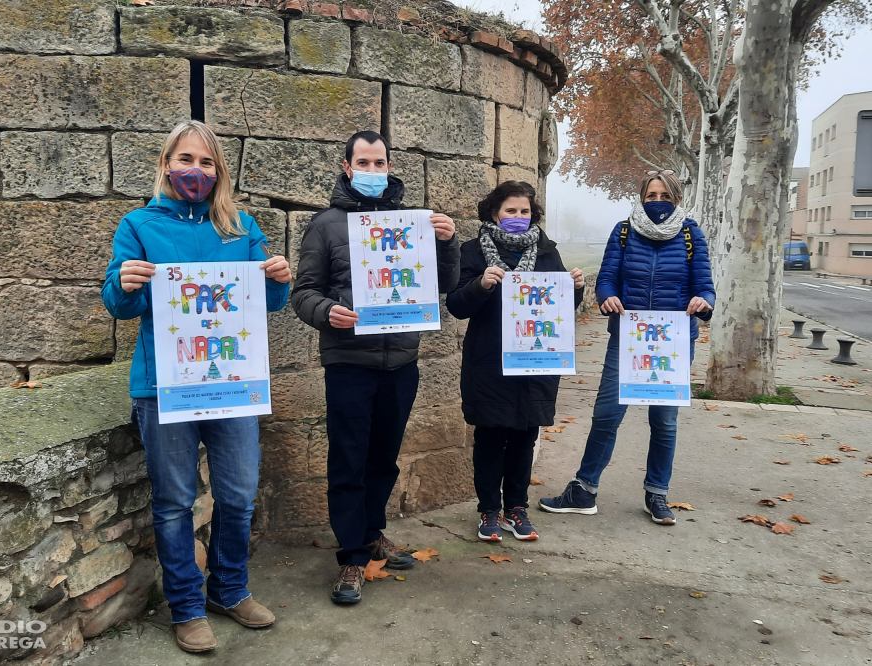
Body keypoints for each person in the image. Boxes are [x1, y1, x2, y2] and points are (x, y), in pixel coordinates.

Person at [102, 121, 292, 653]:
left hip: (231, 384)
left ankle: (229, 590)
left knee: (237, 494)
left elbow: (268, 305)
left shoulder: (240, 226)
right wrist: (124, 283)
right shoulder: (138, 224)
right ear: (166, 165)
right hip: (164, 386)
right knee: (174, 501)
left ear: (220, 172)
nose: (196, 171)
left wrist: (278, 277)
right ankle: (186, 607)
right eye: (186, 160)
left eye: (207, 163)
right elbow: (119, 304)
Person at [290, 130, 460, 604]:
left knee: (383, 455)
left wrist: (446, 242)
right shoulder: (326, 224)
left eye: (378, 163)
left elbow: (443, 284)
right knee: (349, 457)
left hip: (401, 359)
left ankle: (371, 532)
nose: (371, 171)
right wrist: (327, 313)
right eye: (362, 163)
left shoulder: (412, 221)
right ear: (347, 167)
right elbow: (303, 293)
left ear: (389, 166)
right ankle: (351, 558)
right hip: (348, 360)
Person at [539, 170, 714, 525]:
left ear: (676, 198)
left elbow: (705, 286)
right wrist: (607, 297)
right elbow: (606, 278)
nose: (657, 202)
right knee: (606, 415)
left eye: (664, 195)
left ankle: (657, 494)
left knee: (664, 421)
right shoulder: (623, 231)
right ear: (641, 197)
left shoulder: (691, 234)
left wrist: (702, 301)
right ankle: (584, 489)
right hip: (628, 337)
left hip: (672, 342)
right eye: (651, 196)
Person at [446, 181, 585, 543]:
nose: (518, 217)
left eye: (524, 211)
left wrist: (577, 288)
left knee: (525, 436)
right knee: (490, 437)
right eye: (511, 211)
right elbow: (456, 306)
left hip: (534, 362)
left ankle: (517, 509)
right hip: (489, 362)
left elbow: (561, 309)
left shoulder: (547, 252)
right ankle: (489, 510)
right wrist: (481, 285)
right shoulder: (473, 252)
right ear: (495, 213)